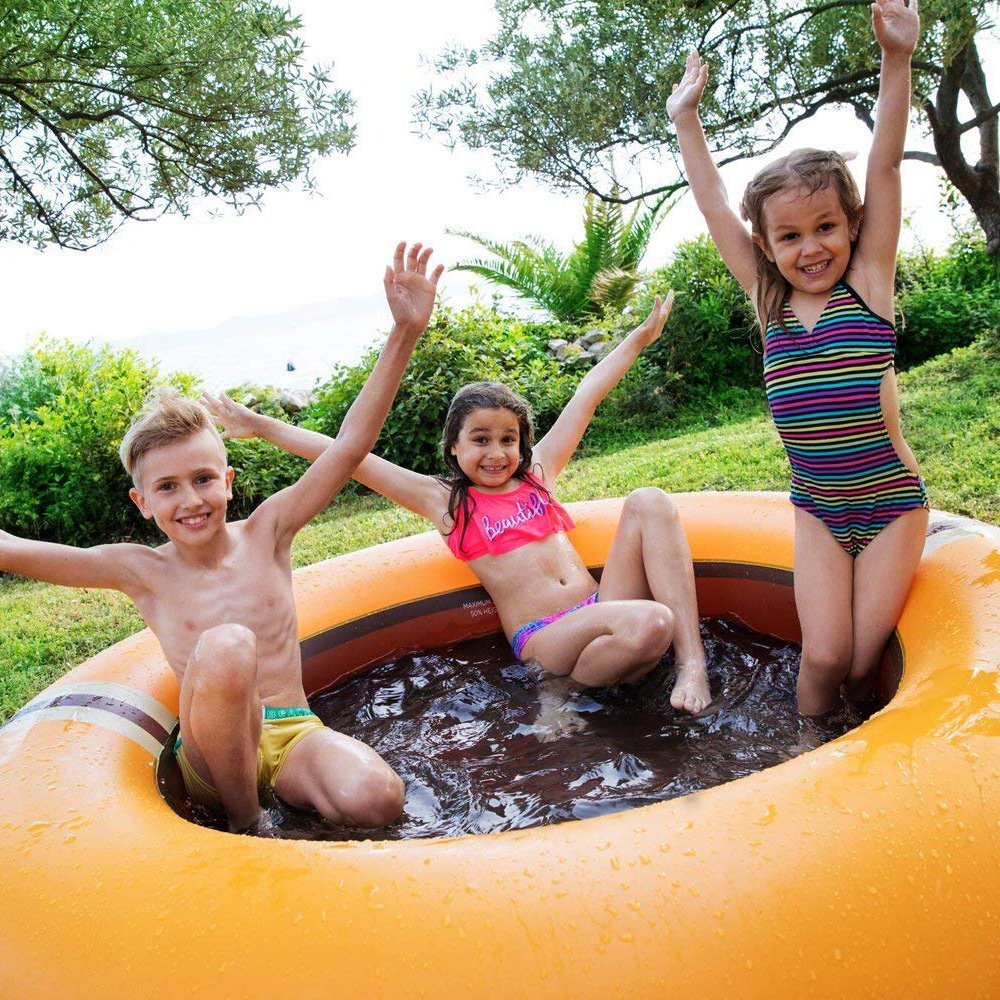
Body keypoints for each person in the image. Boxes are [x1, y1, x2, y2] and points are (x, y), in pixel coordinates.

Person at [0, 242, 443, 832]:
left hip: (291, 730)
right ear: (142, 501)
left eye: (204, 479)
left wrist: (404, 334)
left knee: (377, 796)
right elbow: (15, 550)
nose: (190, 500)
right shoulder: (141, 570)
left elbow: (351, 447)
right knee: (229, 644)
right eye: (168, 487)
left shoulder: (270, 532)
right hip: (211, 755)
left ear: (228, 482)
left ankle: (277, 810)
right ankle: (247, 824)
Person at [204, 292, 712, 714]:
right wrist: (260, 425)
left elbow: (588, 392)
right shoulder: (445, 502)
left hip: (599, 608)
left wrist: (638, 338)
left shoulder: (539, 476)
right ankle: (558, 693)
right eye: (481, 439)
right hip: (547, 637)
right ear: (454, 446)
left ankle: (692, 666)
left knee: (650, 501)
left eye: (508, 439)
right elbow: (347, 455)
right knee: (649, 623)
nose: (496, 453)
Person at [666, 0, 927, 714]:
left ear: (852, 227)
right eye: (789, 237)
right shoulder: (769, 299)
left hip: (891, 505)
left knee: (865, 658)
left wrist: (896, 61)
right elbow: (715, 202)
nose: (810, 248)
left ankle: (861, 745)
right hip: (818, 508)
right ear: (768, 246)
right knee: (823, 656)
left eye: (826, 227)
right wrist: (685, 119)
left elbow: (885, 162)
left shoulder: (868, 285)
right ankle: (805, 754)